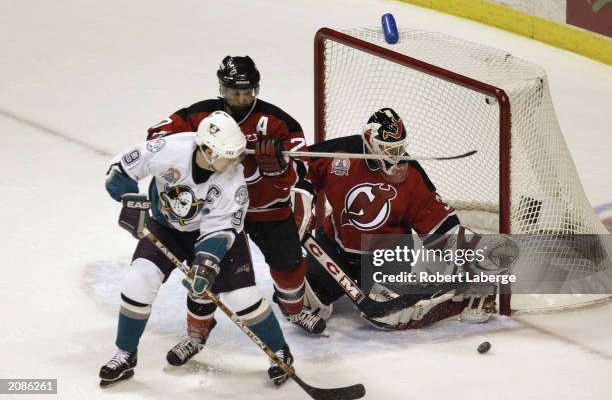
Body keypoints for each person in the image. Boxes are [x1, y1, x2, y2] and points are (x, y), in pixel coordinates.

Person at [147, 55, 325, 368]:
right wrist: (194, 144)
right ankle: (197, 333)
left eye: (247, 92)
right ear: (222, 88)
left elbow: (302, 171)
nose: (240, 99)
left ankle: (293, 309)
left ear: (256, 89)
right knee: (205, 272)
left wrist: (279, 168)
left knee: (290, 266)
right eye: (233, 92)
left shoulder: (280, 122)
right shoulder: (199, 115)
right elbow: (156, 138)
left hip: (267, 210)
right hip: (219, 213)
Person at [99, 111, 294, 387]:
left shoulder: (234, 181)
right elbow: (120, 168)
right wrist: (131, 200)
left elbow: (222, 229)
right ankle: (125, 354)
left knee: (241, 298)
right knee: (138, 280)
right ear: (206, 149)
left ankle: (280, 351)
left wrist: (206, 264)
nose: (236, 161)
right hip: (166, 227)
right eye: (229, 154)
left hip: (218, 234)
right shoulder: (169, 149)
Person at [295, 107, 518, 330]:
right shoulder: (341, 154)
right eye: (389, 149)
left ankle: (460, 296)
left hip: (383, 259)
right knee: (303, 298)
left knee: (389, 316)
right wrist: (302, 197)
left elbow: (440, 226)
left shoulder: (411, 175)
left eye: (400, 148)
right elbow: (299, 164)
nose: (396, 156)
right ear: (368, 140)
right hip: (334, 249)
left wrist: (476, 256)